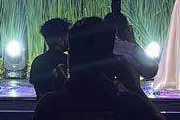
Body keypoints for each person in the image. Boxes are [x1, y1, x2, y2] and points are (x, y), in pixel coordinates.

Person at [33, 17, 165, 120]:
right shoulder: (128, 104)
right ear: (111, 60)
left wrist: (57, 93)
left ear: (71, 58)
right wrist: (135, 88)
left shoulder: (50, 105)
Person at [29, 18, 70, 99]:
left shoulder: (37, 61)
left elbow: (38, 91)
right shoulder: (68, 61)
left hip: (44, 105)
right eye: (67, 35)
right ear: (59, 39)